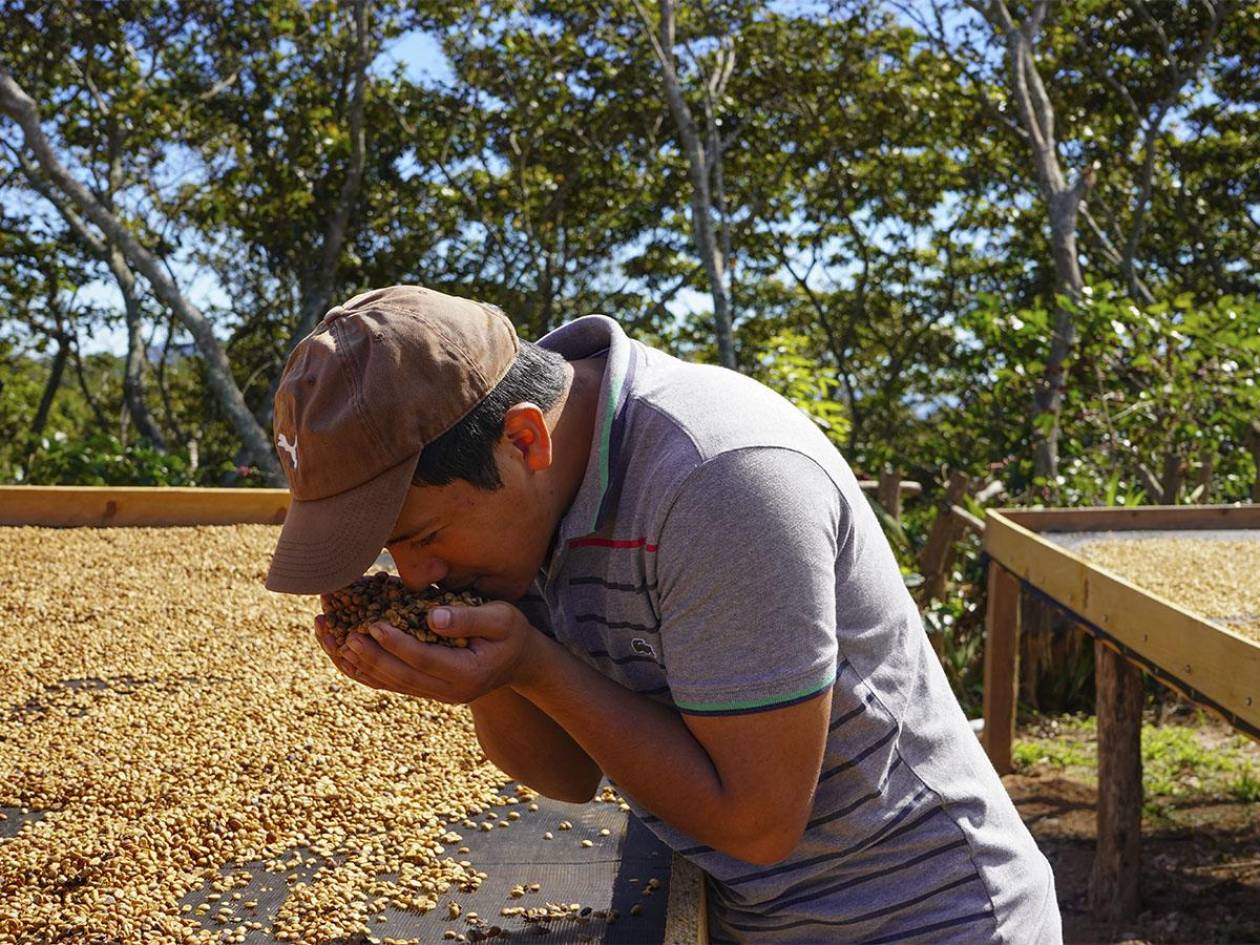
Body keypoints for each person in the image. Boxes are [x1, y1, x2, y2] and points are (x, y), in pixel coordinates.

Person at [264, 285, 1062, 944]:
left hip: (929, 916)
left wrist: (533, 664)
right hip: (770, 918)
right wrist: (487, 679)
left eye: (424, 536)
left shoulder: (721, 484)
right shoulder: (524, 495)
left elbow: (755, 824)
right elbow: (569, 774)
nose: (416, 574)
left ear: (524, 439)